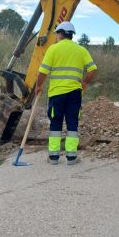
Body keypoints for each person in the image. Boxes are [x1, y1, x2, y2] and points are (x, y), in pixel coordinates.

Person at [35, 21, 97, 165]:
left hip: (57, 94)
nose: (56, 36)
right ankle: (71, 157)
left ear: (61, 33)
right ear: (71, 35)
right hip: (74, 94)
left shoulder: (53, 49)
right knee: (72, 124)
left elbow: (43, 71)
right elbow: (93, 69)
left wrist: (38, 86)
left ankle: (54, 157)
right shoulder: (81, 50)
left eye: (57, 33)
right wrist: (85, 82)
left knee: (55, 123)